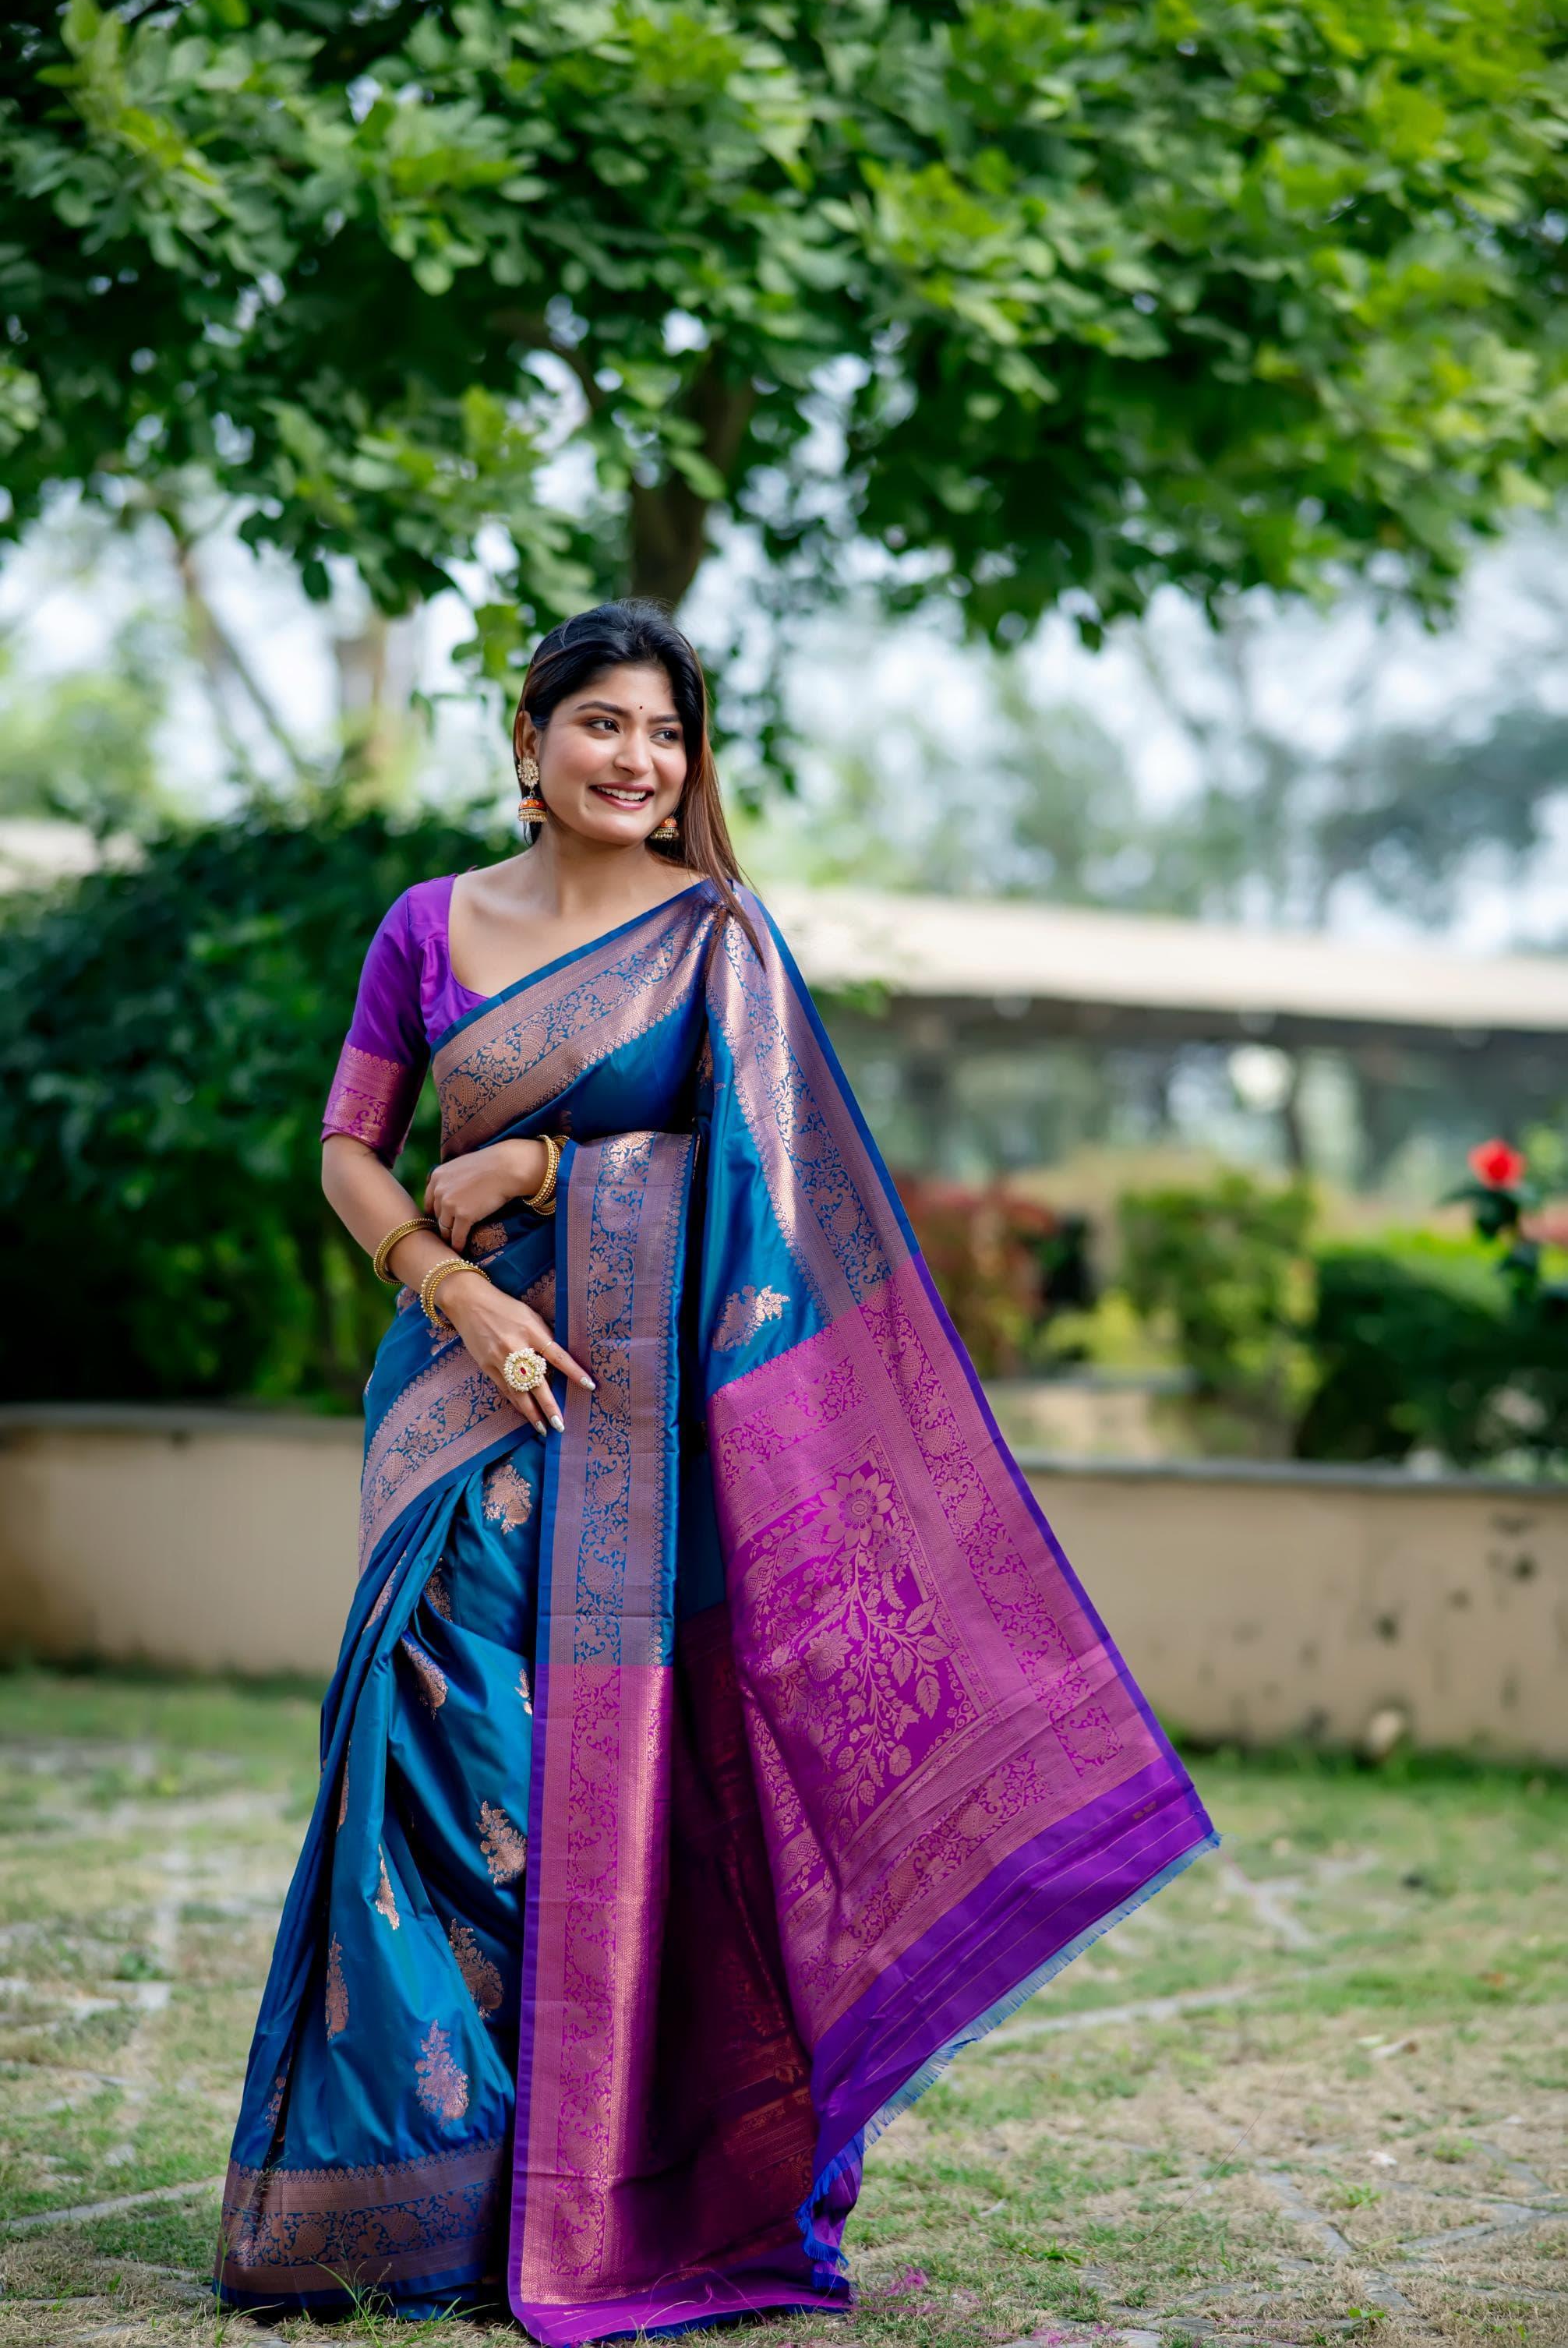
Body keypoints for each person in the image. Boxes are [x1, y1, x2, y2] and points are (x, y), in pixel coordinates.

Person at [216, 600, 1216, 2336]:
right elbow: (347, 1147)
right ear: (526, 747)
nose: (636, 759)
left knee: (600, 1787)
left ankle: (597, 2170)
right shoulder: (428, 925)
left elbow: (772, 1184)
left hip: (637, 1425)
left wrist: (544, 1165)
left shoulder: (714, 938)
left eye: (664, 732)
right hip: (454, 1398)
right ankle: (406, 2201)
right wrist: (445, 1284)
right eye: (599, 724)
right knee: (429, 1745)